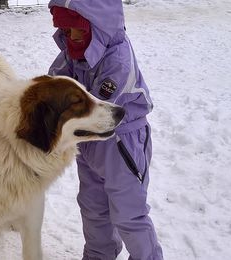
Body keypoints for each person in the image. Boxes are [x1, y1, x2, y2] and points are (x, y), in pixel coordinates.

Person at [47, 1, 164, 260]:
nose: (71, 38)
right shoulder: (72, 51)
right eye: (65, 32)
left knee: (128, 212)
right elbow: (57, 82)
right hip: (89, 142)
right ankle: (99, 255)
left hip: (122, 143)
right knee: (93, 208)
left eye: (76, 30)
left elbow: (98, 107)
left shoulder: (118, 59)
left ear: (98, 26)